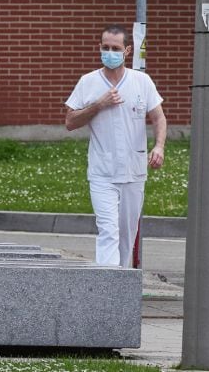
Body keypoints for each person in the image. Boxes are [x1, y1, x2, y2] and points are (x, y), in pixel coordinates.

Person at [65, 24, 167, 267]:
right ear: (99, 48)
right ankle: (107, 287)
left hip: (134, 172)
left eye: (115, 48)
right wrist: (98, 104)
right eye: (105, 47)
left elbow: (159, 118)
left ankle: (123, 287)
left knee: (126, 235)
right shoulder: (88, 82)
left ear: (127, 50)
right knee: (108, 231)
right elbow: (70, 121)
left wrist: (159, 146)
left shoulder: (141, 82)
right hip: (103, 172)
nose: (109, 52)